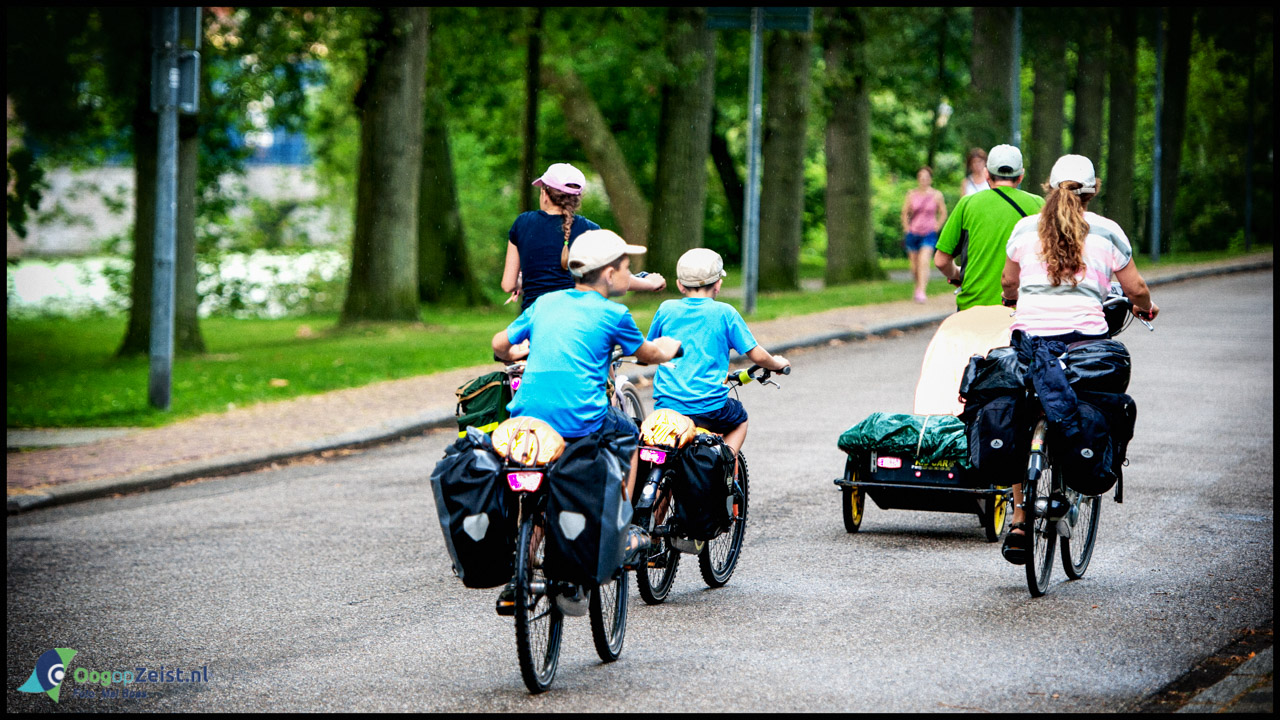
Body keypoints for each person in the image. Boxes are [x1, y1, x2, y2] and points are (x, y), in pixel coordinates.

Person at [492, 229, 681, 612]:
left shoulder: (545, 302)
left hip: (527, 417)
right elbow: (648, 353)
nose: (630, 275)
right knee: (630, 437)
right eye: (627, 268)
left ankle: (520, 576)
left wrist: (517, 350)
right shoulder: (615, 314)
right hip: (580, 420)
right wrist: (671, 347)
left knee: (538, 492)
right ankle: (622, 525)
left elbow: (499, 343)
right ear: (609, 274)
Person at [996, 154, 1159, 564]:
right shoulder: (1107, 231)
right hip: (1083, 345)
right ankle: (1075, 480)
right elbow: (1135, 286)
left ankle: (1018, 518)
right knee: (1085, 405)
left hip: (1030, 342)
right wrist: (1145, 306)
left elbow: (1008, 282)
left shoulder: (1022, 229)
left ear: (1048, 187)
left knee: (1020, 414)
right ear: (1094, 190)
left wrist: (1013, 300)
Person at [645, 248, 790, 460]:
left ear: (679, 284)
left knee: (663, 457)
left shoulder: (666, 309)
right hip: (710, 409)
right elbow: (757, 356)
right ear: (718, 284)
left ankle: (659, 492)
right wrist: (776, 364)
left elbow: (650, 348)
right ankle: (725, 463)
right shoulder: (725, 313)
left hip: (668, 407)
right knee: (740, 419)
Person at [500, 163, 664, 313]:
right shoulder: (591, 231)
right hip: (578, 319)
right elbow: (612, 278)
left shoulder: (523, 223)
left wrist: (526, 281)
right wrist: (649, 282)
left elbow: (508, 285)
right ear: (577, 199)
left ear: (544, 194)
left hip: (533, 325)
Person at [934, 144, 1045, 311]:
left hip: (973, 308)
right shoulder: (1038, 205)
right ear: (1021, 176)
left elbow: (941, 261)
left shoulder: (967, 204)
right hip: (1022, 310)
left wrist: (957, 275)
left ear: (987, 174)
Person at [900, 167, 948, 303]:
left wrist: (937, 225)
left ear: (930, 179)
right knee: (914, 266)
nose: (924, 180)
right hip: (913, 232)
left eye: (926, 177)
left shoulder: (936, 195)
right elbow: (905, 212)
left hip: (929, 233)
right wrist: (906, 228)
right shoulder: (911, 194)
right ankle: (917, 286)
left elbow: (943, 212)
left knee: (924, 261)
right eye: (921, 177)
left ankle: (922, 290)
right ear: (918, 179)